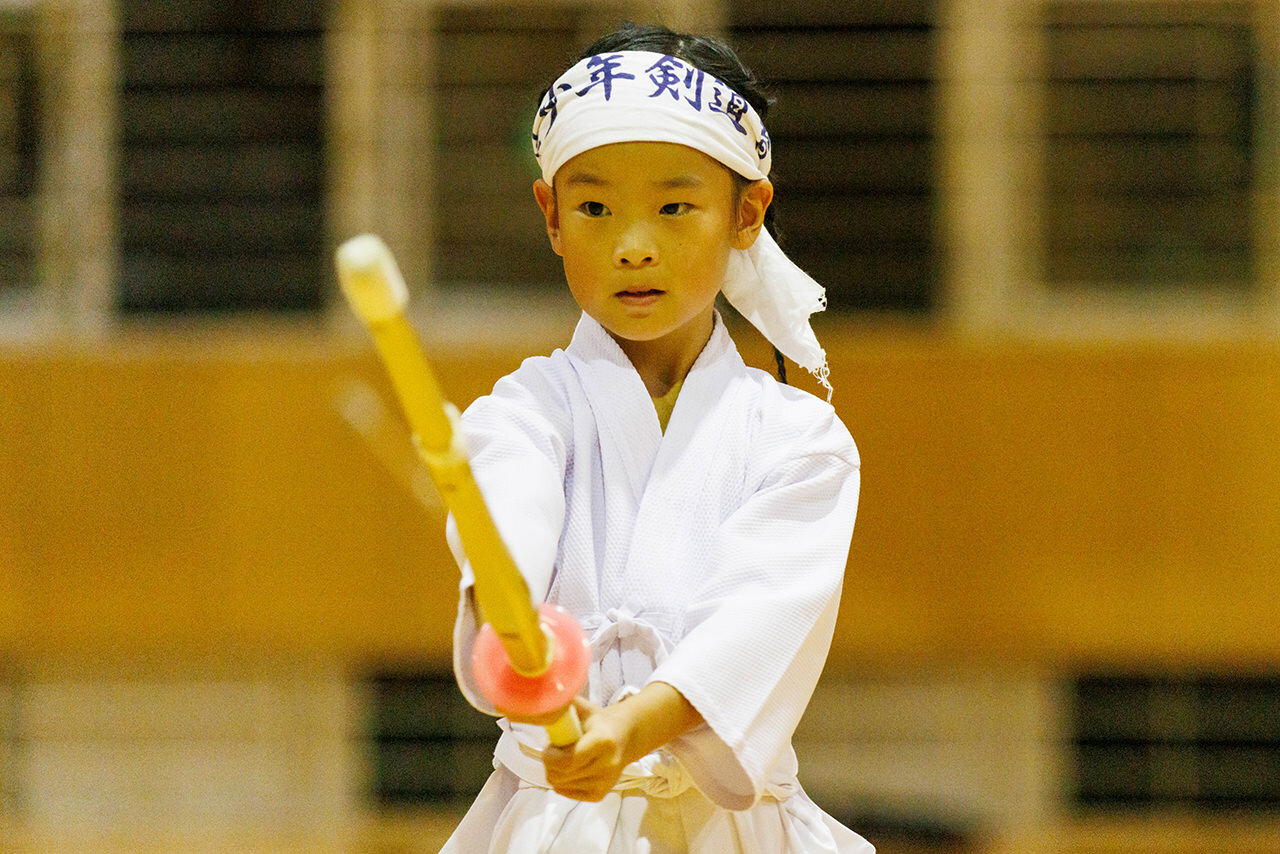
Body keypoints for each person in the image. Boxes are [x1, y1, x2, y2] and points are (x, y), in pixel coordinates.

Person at [440, 22, 872, 854]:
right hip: (554, 824)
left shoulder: (799, 438)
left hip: (734, 831)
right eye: (595, 207)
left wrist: (631, 728)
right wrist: (513, 617)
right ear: (552, 215)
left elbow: (759, 619)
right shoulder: (525, 411)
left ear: (747, 212)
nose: (632, 246)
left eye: (675, 207)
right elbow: (507, 514)